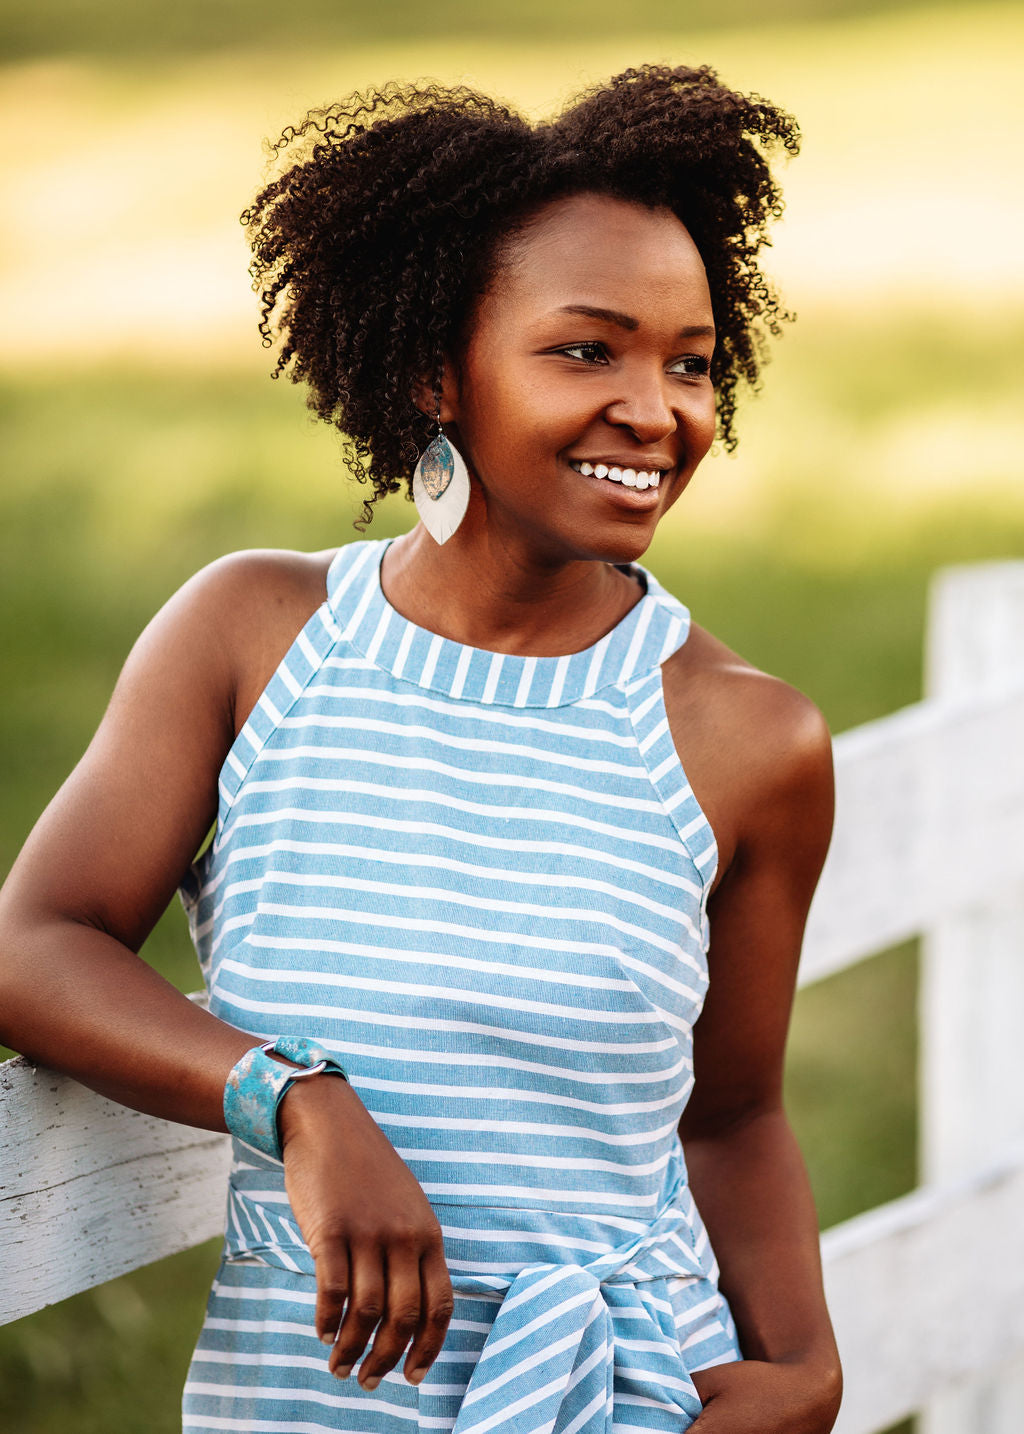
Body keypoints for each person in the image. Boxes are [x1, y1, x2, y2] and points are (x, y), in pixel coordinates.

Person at [0, 65, 842, 1433]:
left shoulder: (748, 735)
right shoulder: (255, 636)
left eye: (689, 361)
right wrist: (296, 1100)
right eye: (589, 349)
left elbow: (734, 1115)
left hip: (622, 1395)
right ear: (432, 370)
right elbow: (36, 941)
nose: (659, 409)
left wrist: (808, 1369)